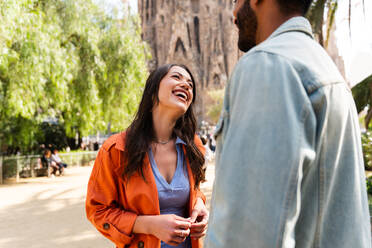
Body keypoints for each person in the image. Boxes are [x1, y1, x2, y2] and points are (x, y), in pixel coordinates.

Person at [204, 0, 371, 247]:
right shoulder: (328, 74)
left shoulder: (268, 65)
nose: (233, 13)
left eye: (237, 1)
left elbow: (248, 236)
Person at [86, 64, 208, 248]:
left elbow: (195, 188)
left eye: (190, 84)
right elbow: (98, 210)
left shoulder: (193, 146)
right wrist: (149, 225)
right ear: (153, 90)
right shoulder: (116, 149)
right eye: (176, 77)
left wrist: (199, 204)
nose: (186, 85)